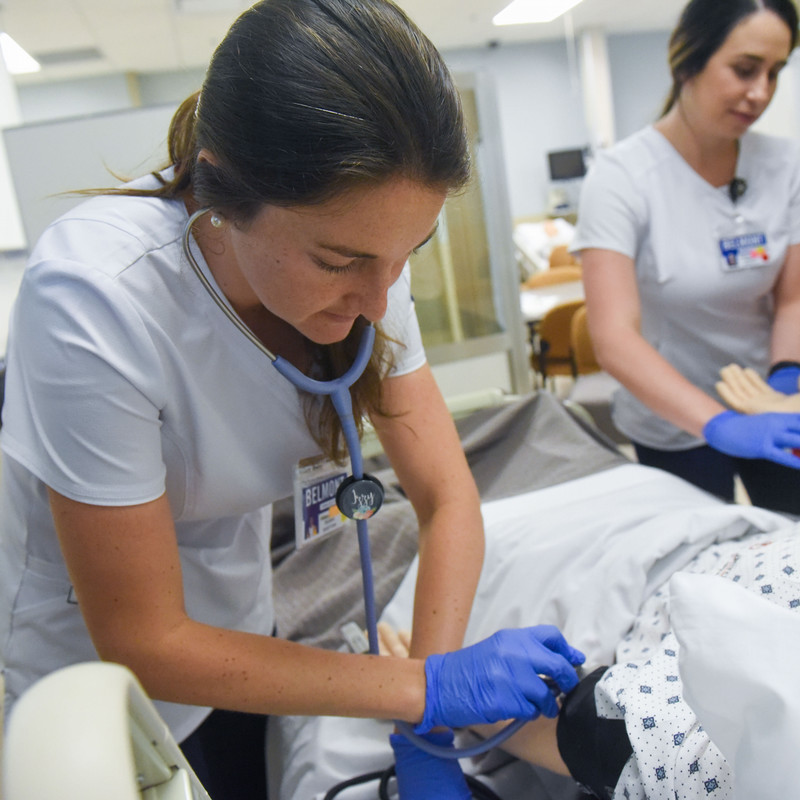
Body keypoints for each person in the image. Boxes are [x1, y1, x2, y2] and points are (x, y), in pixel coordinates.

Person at [0, 1, 584, 798]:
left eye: (405, 254)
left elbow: (447, 497)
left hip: (242, 635)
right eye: (339, 261)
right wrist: (423, 689)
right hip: (92, 683)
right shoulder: (94, 300)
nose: (381, 300)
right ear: (224, 190)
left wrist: (430, 717)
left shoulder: (367, 258)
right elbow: (144, 639)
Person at [572, 0, 800, 515]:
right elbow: (613, 337)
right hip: (670, 418)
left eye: (775, 73)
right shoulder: (621, 178)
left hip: (769, 400)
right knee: (696, 565)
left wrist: (785, 381)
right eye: (744, 69)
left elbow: (793, 299)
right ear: (687, 62)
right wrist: (719, 422)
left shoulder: (786, 165)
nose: (760, 92)